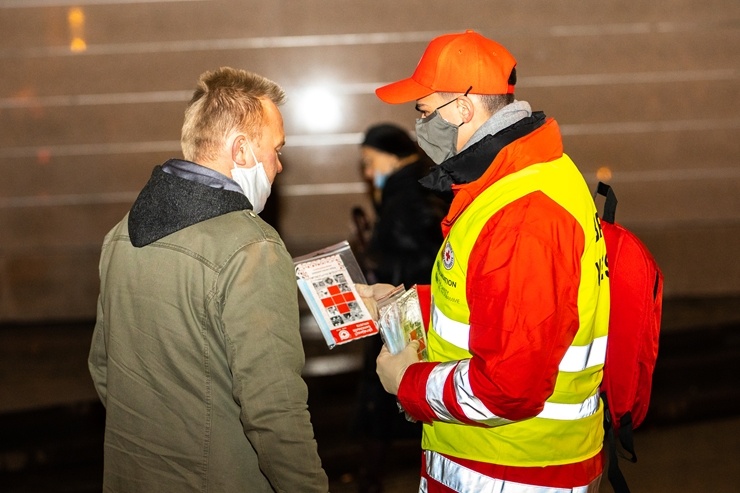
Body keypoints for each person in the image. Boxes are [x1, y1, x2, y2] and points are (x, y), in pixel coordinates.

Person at [367, 30, 611, 492]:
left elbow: (508, 389)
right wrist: (402, 302)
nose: (420, 128)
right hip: (505, 464)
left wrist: (409, 383)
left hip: (515, 471)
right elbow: (490, 300)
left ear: (463, 107)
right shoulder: (525, 177)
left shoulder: (523, 212)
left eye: (423, 111)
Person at [88, 67, 329, 492]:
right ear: (240, 151)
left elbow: (104, 368)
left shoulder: (121, 233)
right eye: (275, 149)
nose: (279, 164)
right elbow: (275, 411)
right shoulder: (251, 247)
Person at [351, 123, 448, 492]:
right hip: (407, 311)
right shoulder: (415, 187)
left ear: (393, 156)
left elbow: (425, 260)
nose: (368, 173)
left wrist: (379, 267)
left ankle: (370, 481)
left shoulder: (406, 196)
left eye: (370, 162)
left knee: (385, 401)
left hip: (403, 315)